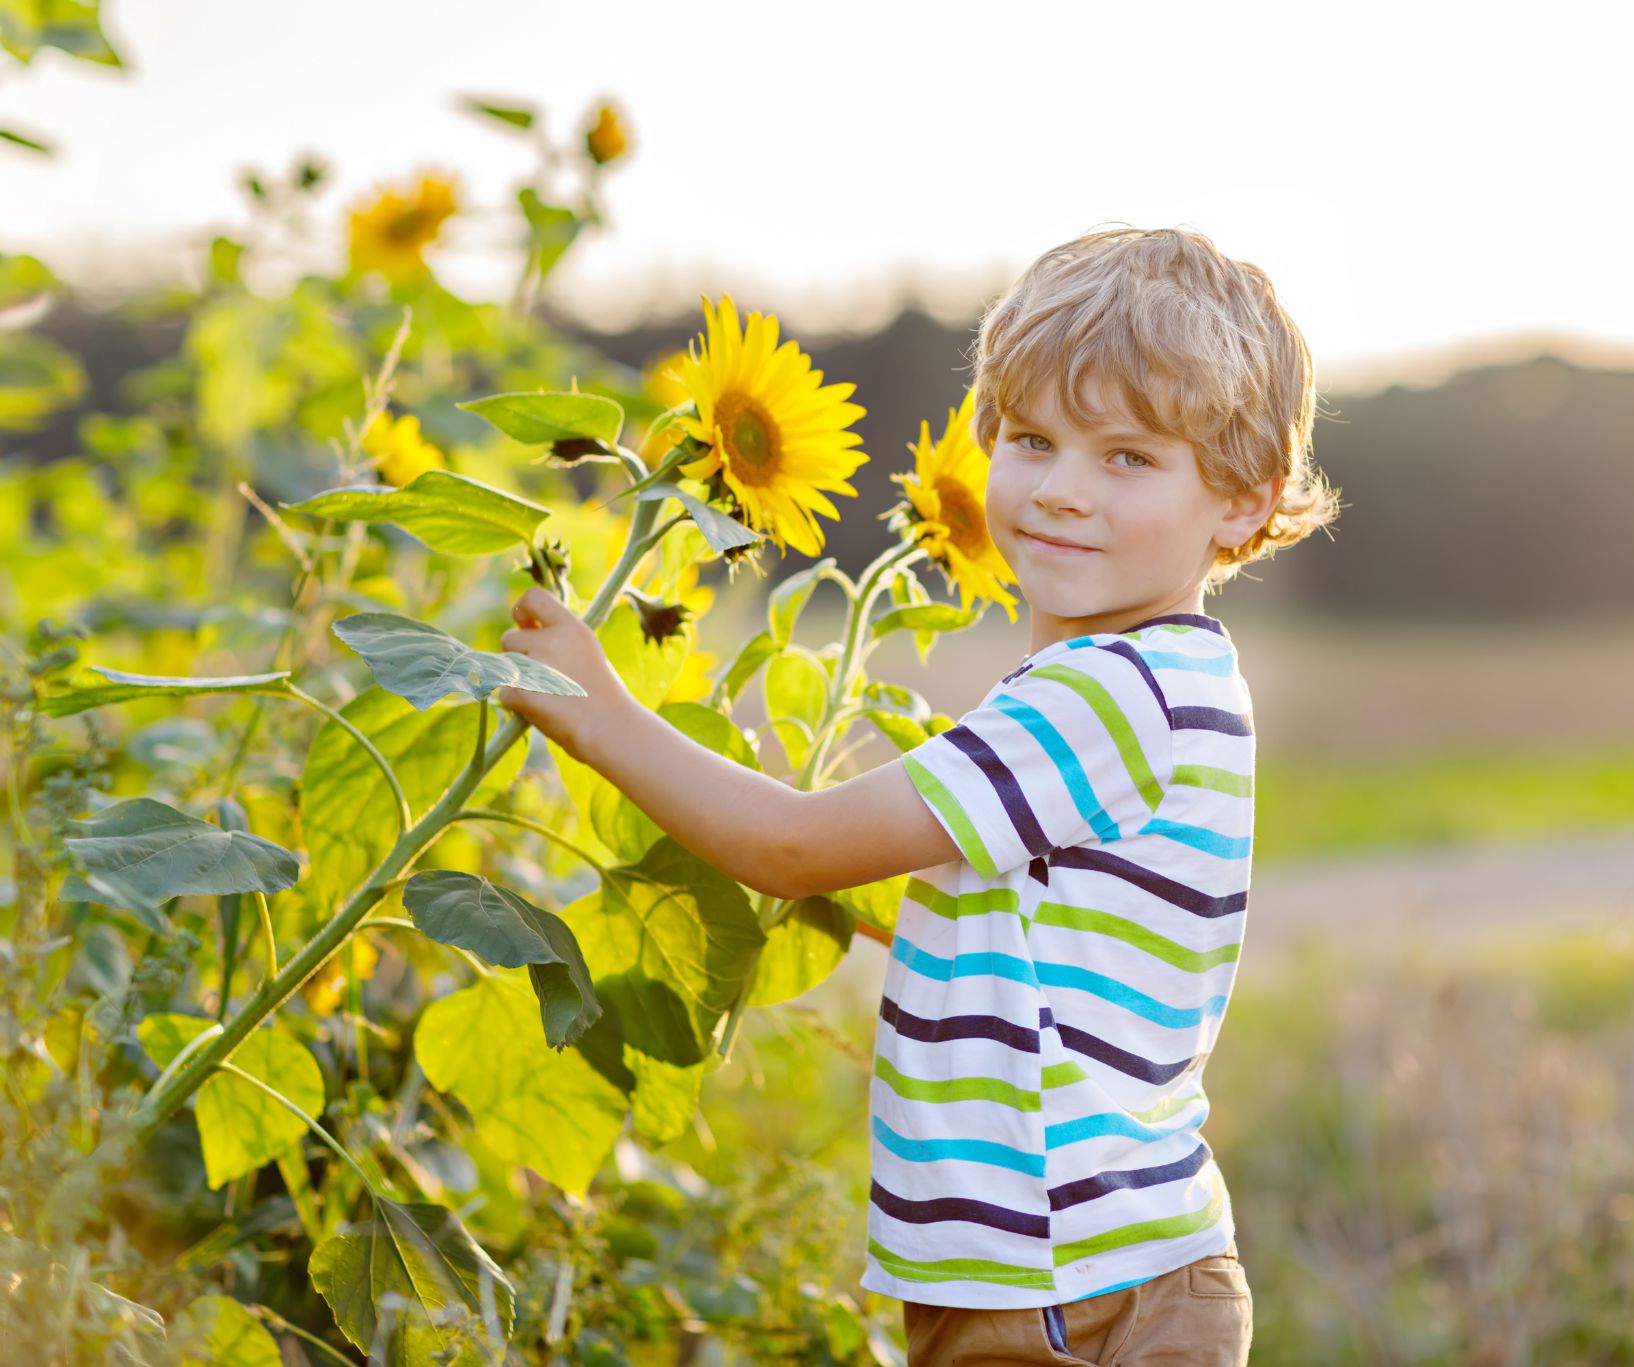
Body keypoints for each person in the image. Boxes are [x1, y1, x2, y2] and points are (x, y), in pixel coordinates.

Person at [500, 224, 1340, 1365]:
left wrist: (600, 715)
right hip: (1094, 1264)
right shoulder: (1163, 679)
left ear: (1241, 504)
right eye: (1033, 437)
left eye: (1127, 457)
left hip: (1062, 1282)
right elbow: (1042, 929)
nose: (1059, 490)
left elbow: (794, 846)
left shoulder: (1104, 696)